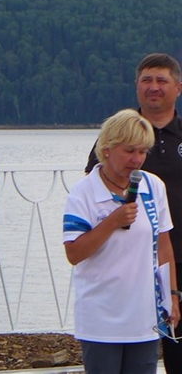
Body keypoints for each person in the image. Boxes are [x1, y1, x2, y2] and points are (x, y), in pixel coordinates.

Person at [84, 52, 182, 370]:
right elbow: (93, 186)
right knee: (139, 351)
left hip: (176, 255)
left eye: (161, 80)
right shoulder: (117, 135)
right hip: (134, 264)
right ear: (136, 86)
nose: (153, 87)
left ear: (178, 88)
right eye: (146, 80)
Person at [68, 109, 179, 374]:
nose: (137, 159)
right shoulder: (83, 192)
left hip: (144, 318)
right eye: (129, 151)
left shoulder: (153, 185)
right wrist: (112, 222)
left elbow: (164, 245)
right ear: (107, 149)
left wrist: (172, 296)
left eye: (142, 152)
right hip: (101, 319)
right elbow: (74, 253)